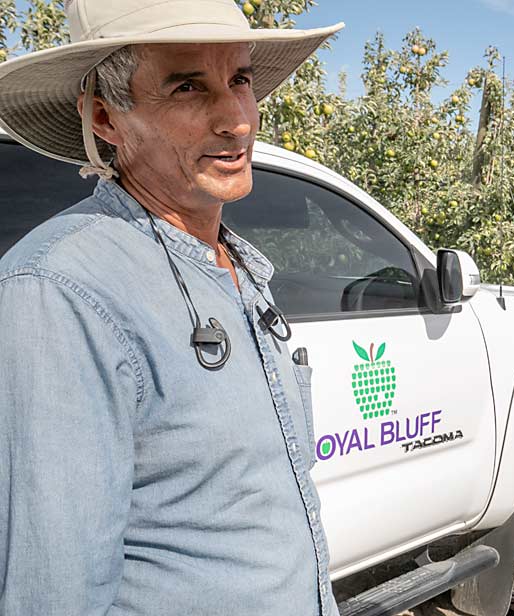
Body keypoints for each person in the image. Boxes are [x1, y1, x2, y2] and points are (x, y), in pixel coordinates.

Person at [0, 1, 344, 614]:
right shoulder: (60, 289)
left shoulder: (234, 264)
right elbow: (53, 591)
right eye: (188, 87)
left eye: (239, 79)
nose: (237, 120)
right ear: (106, 116)